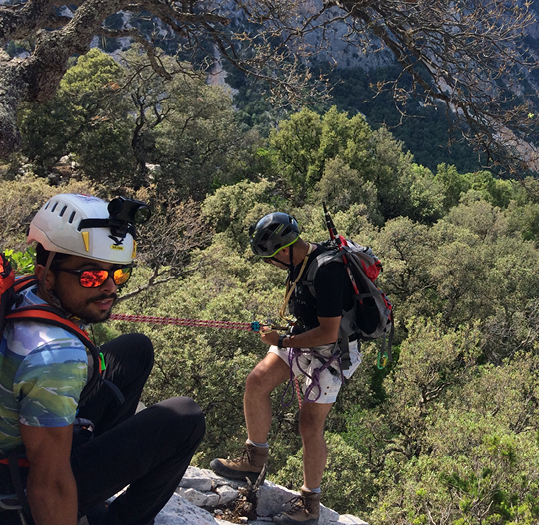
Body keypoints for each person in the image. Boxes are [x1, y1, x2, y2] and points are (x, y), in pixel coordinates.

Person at [0, 193, 206, 525]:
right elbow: (48, 484)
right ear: (47, 273)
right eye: (91, 276)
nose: (110, 288)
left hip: (21, 443)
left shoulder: (25, 290)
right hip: (18, 487)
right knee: (185, 417)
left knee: (135, 350)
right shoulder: (56, 358)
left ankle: (91, 482)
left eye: (118, 274)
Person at [210, 212, 361, 525]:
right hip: (302, 336)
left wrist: (283, 339)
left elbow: (328, 333)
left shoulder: (327, 270)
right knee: (257, 382)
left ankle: (310, 504)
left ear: (284, 250)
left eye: (270, 258)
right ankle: (254, 460)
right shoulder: (300, 263)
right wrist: (286, 336)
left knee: (309, 424)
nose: (270, 265)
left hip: (332, 351)